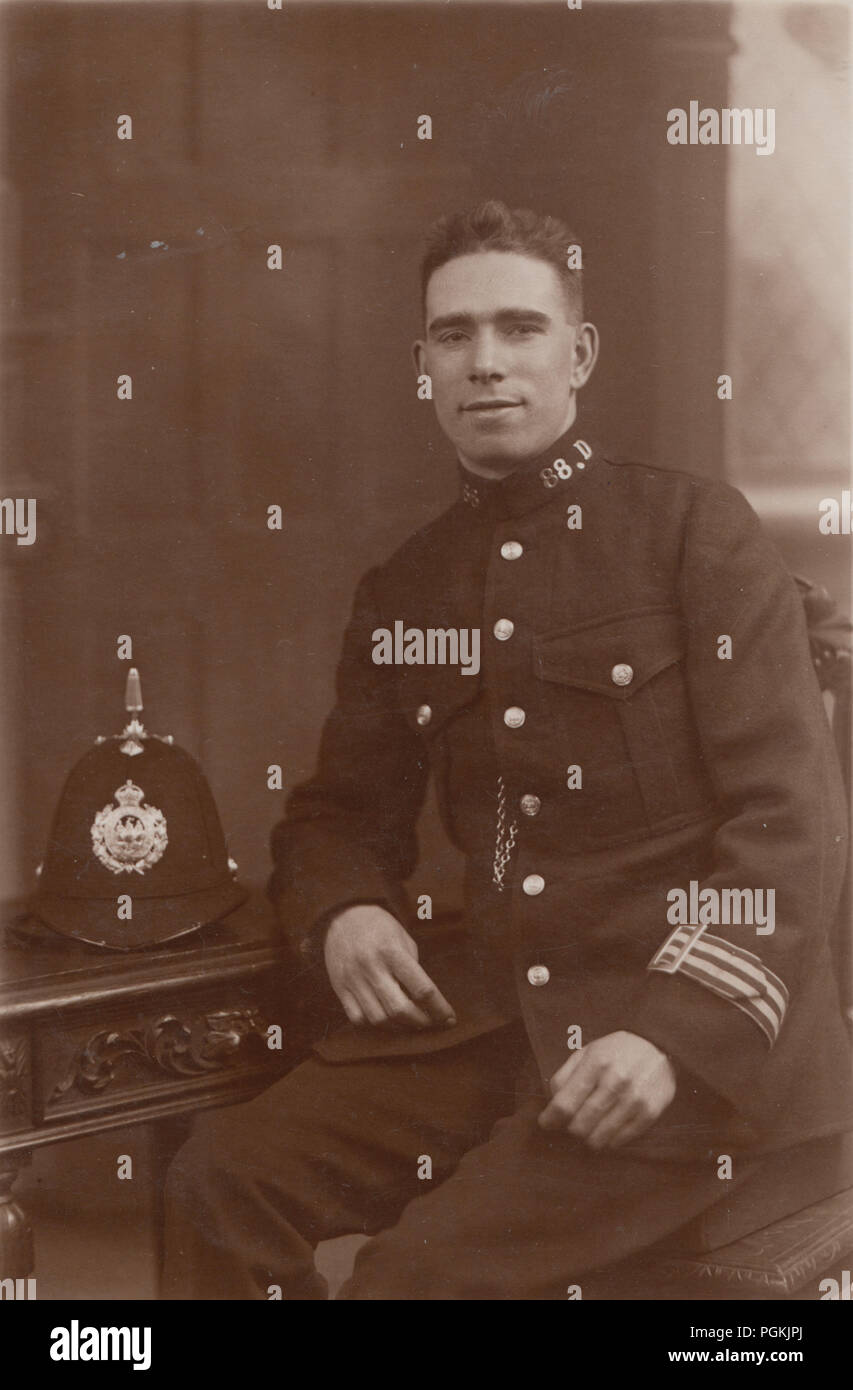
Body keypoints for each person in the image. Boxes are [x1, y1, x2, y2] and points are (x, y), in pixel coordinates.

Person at [163, 200, 853, 1300]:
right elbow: (336, 813)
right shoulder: (409, 586)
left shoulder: (694, 534)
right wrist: (343, 908)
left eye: (519, 330)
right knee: (218, 1185)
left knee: (412, 1283)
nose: (486, 363)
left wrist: (670, 1039)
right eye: (454, 335)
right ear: (422, 367)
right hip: (490, 1028)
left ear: (577, 354)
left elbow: (789, 829)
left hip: (691, 1057)